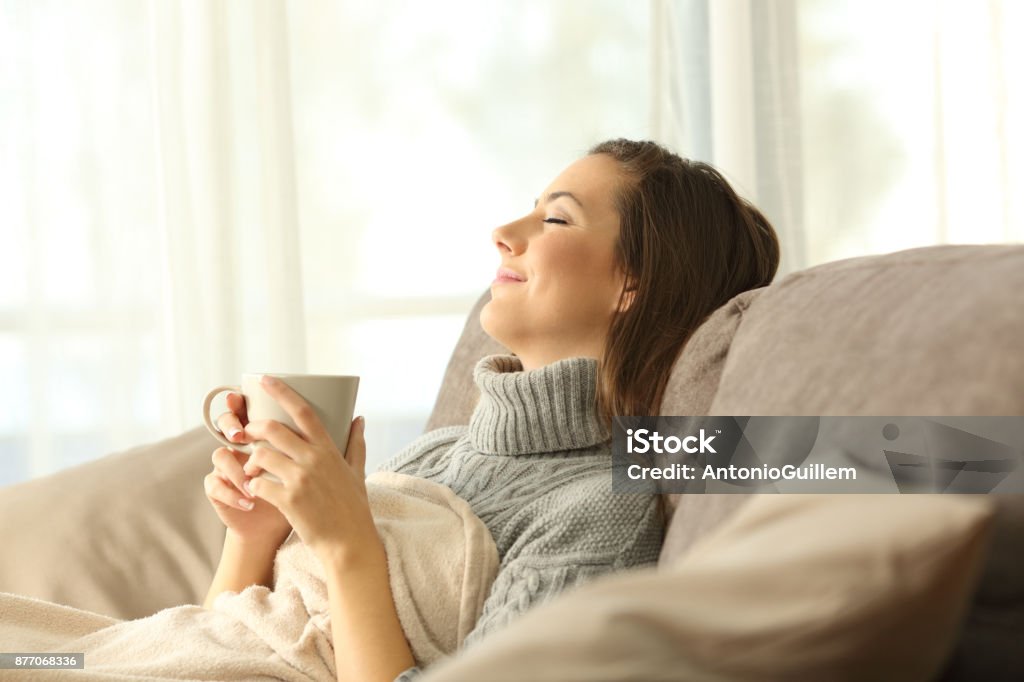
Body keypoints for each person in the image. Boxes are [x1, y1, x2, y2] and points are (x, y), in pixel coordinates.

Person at [204, 138, 781, 682]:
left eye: (555, 218)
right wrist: (254, 536)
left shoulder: (598, 512)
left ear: (634, 280)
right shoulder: (436, 452)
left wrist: (347, 544)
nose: (503, 233)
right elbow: (216, 642)